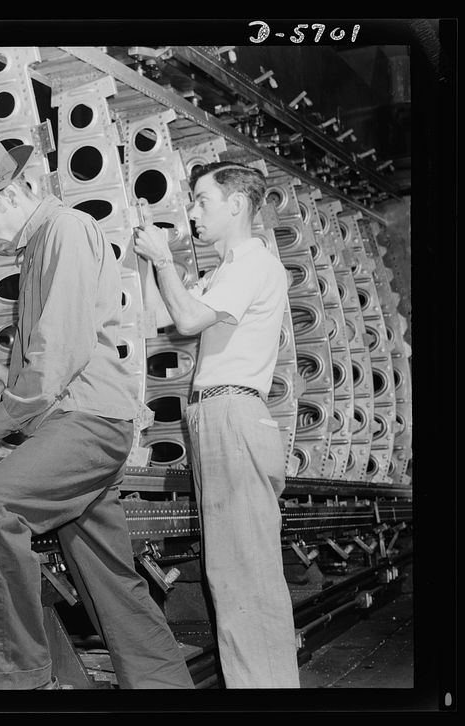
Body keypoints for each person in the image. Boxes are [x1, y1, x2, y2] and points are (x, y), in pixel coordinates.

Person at [0, 138, 195, 690]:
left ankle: (15, 680)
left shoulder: (67, 229)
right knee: (108, 576)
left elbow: (60, 350)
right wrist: (3, 396)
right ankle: (165, 687)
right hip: (80, 422)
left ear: (12, 195)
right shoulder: (39, 245)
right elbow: (46, 352)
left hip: (86, 424)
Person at [132, 161, 300, 688]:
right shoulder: (226, 270)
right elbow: (160, 316)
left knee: (245, 578)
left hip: (232, 413)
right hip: (214, 415)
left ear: (237, 205)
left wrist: (163, 262)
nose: (193, 212)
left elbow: (185, 321)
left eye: (202, 201)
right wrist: (147, 260)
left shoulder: (253, 264)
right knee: (232, 575)